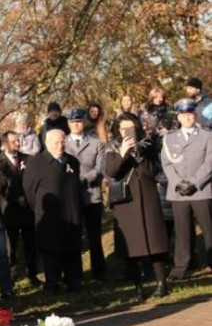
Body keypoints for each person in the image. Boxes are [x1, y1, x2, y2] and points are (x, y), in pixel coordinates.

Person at [104, 119, 169, 301]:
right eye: (123, 128)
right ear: (117, 129)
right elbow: (111, 172)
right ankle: (137, 288)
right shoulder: (112, 148)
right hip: (126, 201)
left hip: (147, 197)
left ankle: (162, 283)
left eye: (131, 128)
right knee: (131, 246)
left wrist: (140, 156)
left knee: (154, 241)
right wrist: (123, 153)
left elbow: (153, 170)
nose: (127, 131)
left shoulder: (146, 144)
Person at [23, 128, 84, 294]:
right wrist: (39, 208)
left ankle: (74, 282)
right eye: (56, 142)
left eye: (63, 142)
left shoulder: (72, 161)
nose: (60, 145)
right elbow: (29, 190)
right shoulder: (37, 163)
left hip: (71, 213)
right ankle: (52, 284)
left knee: (71, 250)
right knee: (51, 252)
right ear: (47, 143)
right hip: (49, 216)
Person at [160, 99, 212, 281]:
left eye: (190, 114)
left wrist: (194, 183)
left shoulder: (207, 136)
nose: (187, 117)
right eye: (183, 115)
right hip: (178, 191)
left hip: (202, 190)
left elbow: (210, 162)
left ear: (195, 116)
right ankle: (181, 267)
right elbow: (166, 163)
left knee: (209, 229)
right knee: (182, 231)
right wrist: (177, 182)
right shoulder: (169, 138)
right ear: (178, 117)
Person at [65, 106, 107, 281]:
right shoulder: (63, 143)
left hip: (92, 195)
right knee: (74, 238)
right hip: (71, 197)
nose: (76, 125)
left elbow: (101, 167)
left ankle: (99, 272)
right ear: (68, 123)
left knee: (95, 236)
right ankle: (76, 275)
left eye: (79, 122)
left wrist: (85, 177)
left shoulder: (95, 142)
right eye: (73, 122)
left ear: (83, 122)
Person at [0, 131, 39, 287]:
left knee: (30, 244)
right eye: (14, 141)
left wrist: (26, 198)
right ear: (5, 144)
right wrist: (15, 198)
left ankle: (32, 274)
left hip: (27, 210)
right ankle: (12, 276)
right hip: (9, 211)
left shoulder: (27, 159)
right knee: (11, 247)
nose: (18, 143)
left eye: (18, 140)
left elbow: (32, 180)